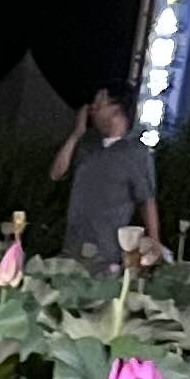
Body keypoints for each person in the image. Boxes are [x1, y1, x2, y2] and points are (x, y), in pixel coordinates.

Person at [48, 85, 162, 265]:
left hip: (107, 252)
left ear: (116, 109)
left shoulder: (135, 153)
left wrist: (154, 241)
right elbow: (56, 174)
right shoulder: (88, 147)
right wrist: (76, 135)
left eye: (98, 104)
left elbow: (146, 199)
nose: (91, 109)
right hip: (72, 246)